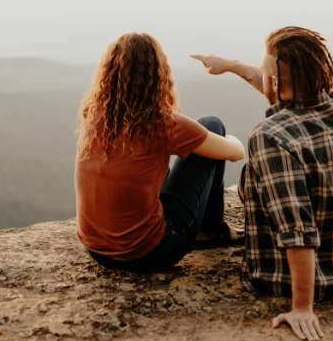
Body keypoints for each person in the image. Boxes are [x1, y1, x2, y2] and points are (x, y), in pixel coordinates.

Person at [192, 26, 333, 341]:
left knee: (258, 175)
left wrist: (302, 307)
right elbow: (280, 88)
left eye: (265, 68)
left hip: (296, 276)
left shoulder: (271, 137)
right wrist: (231, 65)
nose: (261, 74)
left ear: (277, 80)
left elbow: (298, 230)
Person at [75, 32, 244, 273]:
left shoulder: (94, 115)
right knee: (212, 123)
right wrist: (224, 139)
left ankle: (208, 229)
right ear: (158, 74)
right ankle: (210, 230)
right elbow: (236, 153)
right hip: (149, 253)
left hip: (97, 250)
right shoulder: (162, 123)